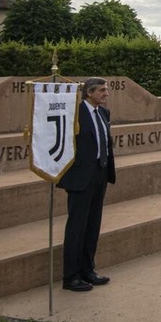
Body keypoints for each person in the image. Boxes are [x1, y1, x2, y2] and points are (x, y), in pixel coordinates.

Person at [58, 77, 116, 292]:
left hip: (100, 174)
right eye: (102, 90)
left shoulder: (104, 113)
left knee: (93, 226)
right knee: (77, 227)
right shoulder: (74, 113)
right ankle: (70, 276)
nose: (106, 94)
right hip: (80, 178)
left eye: (106, 89)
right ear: (89, 92)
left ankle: (87, 270)